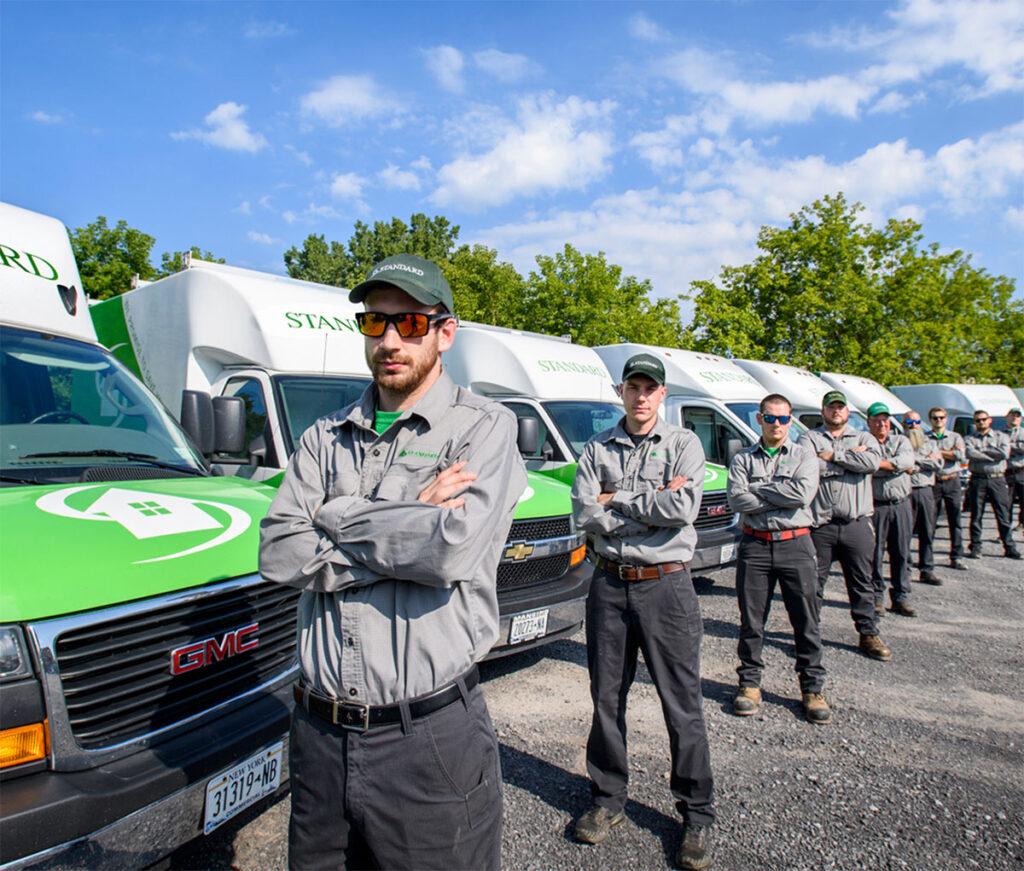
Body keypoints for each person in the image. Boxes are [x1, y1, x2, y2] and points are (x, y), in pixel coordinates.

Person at [258, 254, 526, 871]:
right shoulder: (324, 436)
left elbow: (448, 548)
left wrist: (337, 513)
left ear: (444, 332)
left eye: (408, 323)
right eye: (374, 324)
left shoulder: (484, 429)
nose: (389, 340)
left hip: (426, 740)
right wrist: (406, 511)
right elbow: (277, 550)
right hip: (319, 736)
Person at [571, 353, 714, 871]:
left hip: (666, 587)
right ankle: (608, 799)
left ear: (662, 394)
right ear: (622, 391)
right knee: (606, 699)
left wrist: (618, 499)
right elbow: (584, 511)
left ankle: (696, 813)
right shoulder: (597, 446)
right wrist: (647, 499)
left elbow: (683, 510)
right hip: (609, 585)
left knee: (682, 704)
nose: (641, 396)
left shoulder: (684, 444)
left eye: (650, 388)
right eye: (633, 387)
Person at [727, 393, 829, 724]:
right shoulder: (743, 458)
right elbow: (737, 500)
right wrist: (777, 495)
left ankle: (812, 688)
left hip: (796, 545)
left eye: (783, 419)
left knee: (806, 619)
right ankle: (749, 684)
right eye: (770, 418)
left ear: (790, 420)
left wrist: (760, 491)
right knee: (752, 620)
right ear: (760, 419)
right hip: (755, 546)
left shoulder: (804, 455)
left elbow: (802, 495)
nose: (777, 424)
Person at [798, 390, 891, 661]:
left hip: (856, 524)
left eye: (840, 407)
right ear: (823, 410)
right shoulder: (809, 437)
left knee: (862, 582)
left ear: (847, 411)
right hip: (820, 526)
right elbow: (806, 468)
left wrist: (832, 455)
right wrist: (850, 459)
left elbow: (872, 462)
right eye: (831, 407)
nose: (836, 411)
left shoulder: (864, 437)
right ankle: (808, 635)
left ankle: (868, 633)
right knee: (812, 585)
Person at [866, 403, 916, 617]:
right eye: (877, 420)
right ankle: (877, 596)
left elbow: (907, 461)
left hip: (901, 504)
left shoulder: (901, 440)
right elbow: (867, 465)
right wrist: (895, 466)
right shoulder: (864, 442)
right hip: (875, 506)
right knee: (874, 554)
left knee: (902, 552)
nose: (882, 424)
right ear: (869, 422)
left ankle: (901, 596)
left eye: (885, 420)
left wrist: (881, 464)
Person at [965, 409, 1021, 560]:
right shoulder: (970, 438)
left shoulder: (1001, 436)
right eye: (978, 420)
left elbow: (1003, 453)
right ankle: (975, 546)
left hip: (997, 479)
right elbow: (970, 453)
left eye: (983, 419)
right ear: (975, 423)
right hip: (978, 479)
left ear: (989, 420)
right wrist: (990, 455)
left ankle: (1009, 547)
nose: (981, 422)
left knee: (1002, 514)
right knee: (976, 515)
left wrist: (981, 453)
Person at [903, 410, 944, 585]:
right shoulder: (900, 442)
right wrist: (924, 460)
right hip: (907, 491)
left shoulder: (930, 442)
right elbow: (902, 462)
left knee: (928, 531)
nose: (913, 425)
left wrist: (915, 462)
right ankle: (905, 569)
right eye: (909, 422)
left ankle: (927, 569)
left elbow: (938, 463)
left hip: (926, 490)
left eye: (916, 421)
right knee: (904, 534)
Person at [928, 407, 967, 570]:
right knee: (930, 521)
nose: (938, 421)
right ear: (930, 420)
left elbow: (960, 456)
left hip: (952, 481)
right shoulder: (925, 438)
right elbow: (922, 455)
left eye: (941, 418)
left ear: (945, 419)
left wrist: (937, 452)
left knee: (955, 519)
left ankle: (956, 556)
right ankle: (927, 558)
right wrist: (949, 453)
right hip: (934, 482)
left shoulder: (955, 436)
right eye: (935, 418)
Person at [1006, 407, 1024, 531]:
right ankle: (1005, 529)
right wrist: (1018, 446)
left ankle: (1022, 525)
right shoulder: (999, 434)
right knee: (1006, 503)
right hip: (1006, 472)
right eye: (1012, 415)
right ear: (1007, 417)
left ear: (1021, 419)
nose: (1015, 418)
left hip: (1022, 471)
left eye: (1018, 416)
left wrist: (1008, 446)